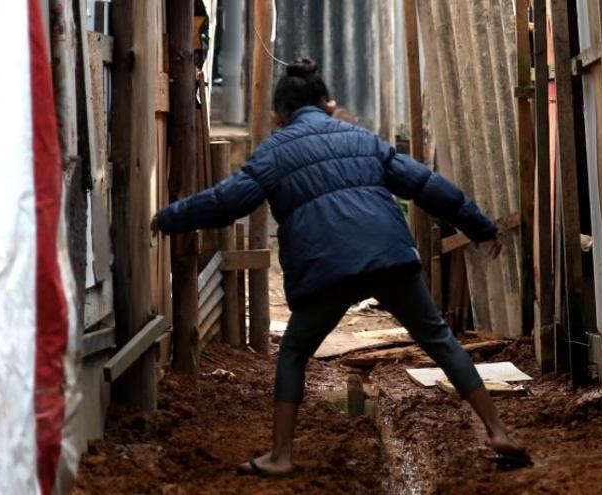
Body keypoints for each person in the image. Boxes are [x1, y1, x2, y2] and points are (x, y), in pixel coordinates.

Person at [152, 57, 530, 478]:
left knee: (294, 352)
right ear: (327, 104)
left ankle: (280, 456)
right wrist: (480, 227)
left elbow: (226, 203)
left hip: (326, 269)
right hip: (388, 257)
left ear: (278, 114)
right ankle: (498, 431)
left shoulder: (273, 153)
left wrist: (169, 217)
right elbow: (426, 185)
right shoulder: (363, 139)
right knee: (440, 340)